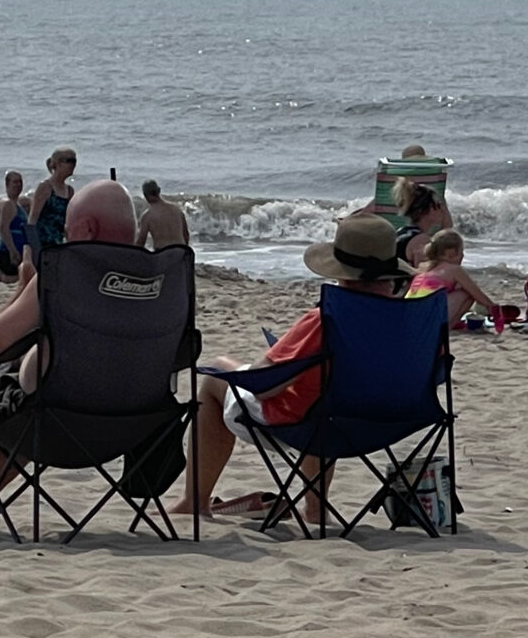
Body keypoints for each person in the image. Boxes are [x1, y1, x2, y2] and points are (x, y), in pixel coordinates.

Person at [173, 213, 411, 520]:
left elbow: (263, 384)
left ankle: (194, 501)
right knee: (325, 392)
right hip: (383, 420)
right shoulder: (409, 320)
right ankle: (314, 509)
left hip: (307, 423)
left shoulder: (326, 319)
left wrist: (278, 357)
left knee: (217, 376)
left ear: (342, 273)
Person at [0, 179, 136, 526]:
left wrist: (23, 291)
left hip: (56, 425)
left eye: (68, 228)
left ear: (87, 229)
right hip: (136, 425)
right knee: (36, 392)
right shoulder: (161, 277)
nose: (64, 236)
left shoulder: (64, 273)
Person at [405, 230, 505, 324]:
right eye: (461, 251)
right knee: (467, 293)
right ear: (452, 254)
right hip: (427, 317)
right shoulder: (454, 270)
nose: (463, 255)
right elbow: (477, 294)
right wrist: (494, 309)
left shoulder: (425, 268)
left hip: (408, 314)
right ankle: (447, 328)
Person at [27, 148, 78, 257]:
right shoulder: (45, 187)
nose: (73, 165)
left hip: (58, 244)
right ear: (57, 163)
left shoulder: (69, 191)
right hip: (42, 243)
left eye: (75, 161)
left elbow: (67, 222)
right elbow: (32, 220)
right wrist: (34, 249)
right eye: (69, 161)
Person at [392, 180, 453, 265]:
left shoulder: (402, 232)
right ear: (429, 209)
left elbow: (447, 236)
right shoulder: (422, 241)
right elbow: (423, 274)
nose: (442, 209)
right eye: (438, 205)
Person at [0, 171, 30, 284]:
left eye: (20, 182)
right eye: (15, 182)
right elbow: (3, 228)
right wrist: (13, 251)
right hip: (6, 251)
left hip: (4, 249)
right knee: (16, 279)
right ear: (7, 184)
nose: (18, 185)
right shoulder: (8, 204)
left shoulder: (16, 204)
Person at [134, 180, 190, 250]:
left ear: (145, 195)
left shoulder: (147, 216)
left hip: (162, 254)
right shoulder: (177, 210)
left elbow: (141, 242)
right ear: (159, 191)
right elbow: (186, 235)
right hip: (180, 252)